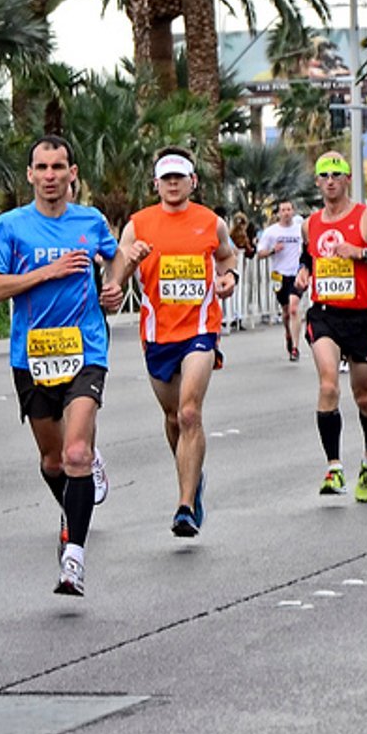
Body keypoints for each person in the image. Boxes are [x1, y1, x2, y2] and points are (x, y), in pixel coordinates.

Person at [0, 134, 120, 594]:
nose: (50, 177)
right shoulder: (10, 227)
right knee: (53, 458)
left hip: (86, 349)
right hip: (33, 356)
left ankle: (74, 558)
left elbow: (113, 262)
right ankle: (73, 501)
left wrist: (114, 287)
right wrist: (48, 272)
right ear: (30, 175)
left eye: (59, 167)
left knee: (75, 452)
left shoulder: (91, 221)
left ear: (72, 173)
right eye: (42, 168)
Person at [104, 148, 238, 537]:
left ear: (193, 182)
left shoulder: (211, 223)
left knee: (191, 412)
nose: (174, 183)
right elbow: (116, 280)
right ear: (156, 183)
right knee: (173, 417)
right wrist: (130, 259)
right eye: (167, 178)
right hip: (157, 335)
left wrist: (229, 280)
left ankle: (184, 505)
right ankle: (191, 474)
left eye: (180, 176)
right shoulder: (138, 225)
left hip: (199, 331)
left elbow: (228, 260)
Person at [297, 152, 367, 499]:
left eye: (336, 175)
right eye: (324, 175)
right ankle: (334, 468)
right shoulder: (309, 223)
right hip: (325, 313)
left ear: (346, 180)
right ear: (317, 182)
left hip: (360, 317)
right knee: (328, 386)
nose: (330, 181)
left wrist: (363, 254)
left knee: (364, 396)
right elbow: (307, 255)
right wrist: (303, 272)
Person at [254, 200, 307, 361]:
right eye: (283, 210)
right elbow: (260, 253)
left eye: (289, 209)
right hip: (279, 275)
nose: (286, 213)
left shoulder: (300, 230)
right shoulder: (271, 232)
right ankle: (288, 334)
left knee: (293, 308)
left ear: (293, 211)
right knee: (285, 312)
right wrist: (272, 250)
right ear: (278, 213)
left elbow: (308, 247)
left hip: (296, 274)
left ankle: (296, 348)